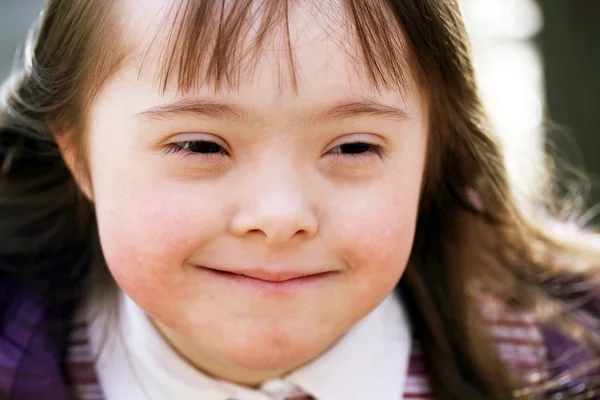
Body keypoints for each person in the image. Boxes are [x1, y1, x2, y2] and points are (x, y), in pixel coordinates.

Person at [0, 0, 598, 399]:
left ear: (430, 153)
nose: (281, 216)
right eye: (201, 145)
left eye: (355, 146)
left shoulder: (570, 365)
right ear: (79, 155)